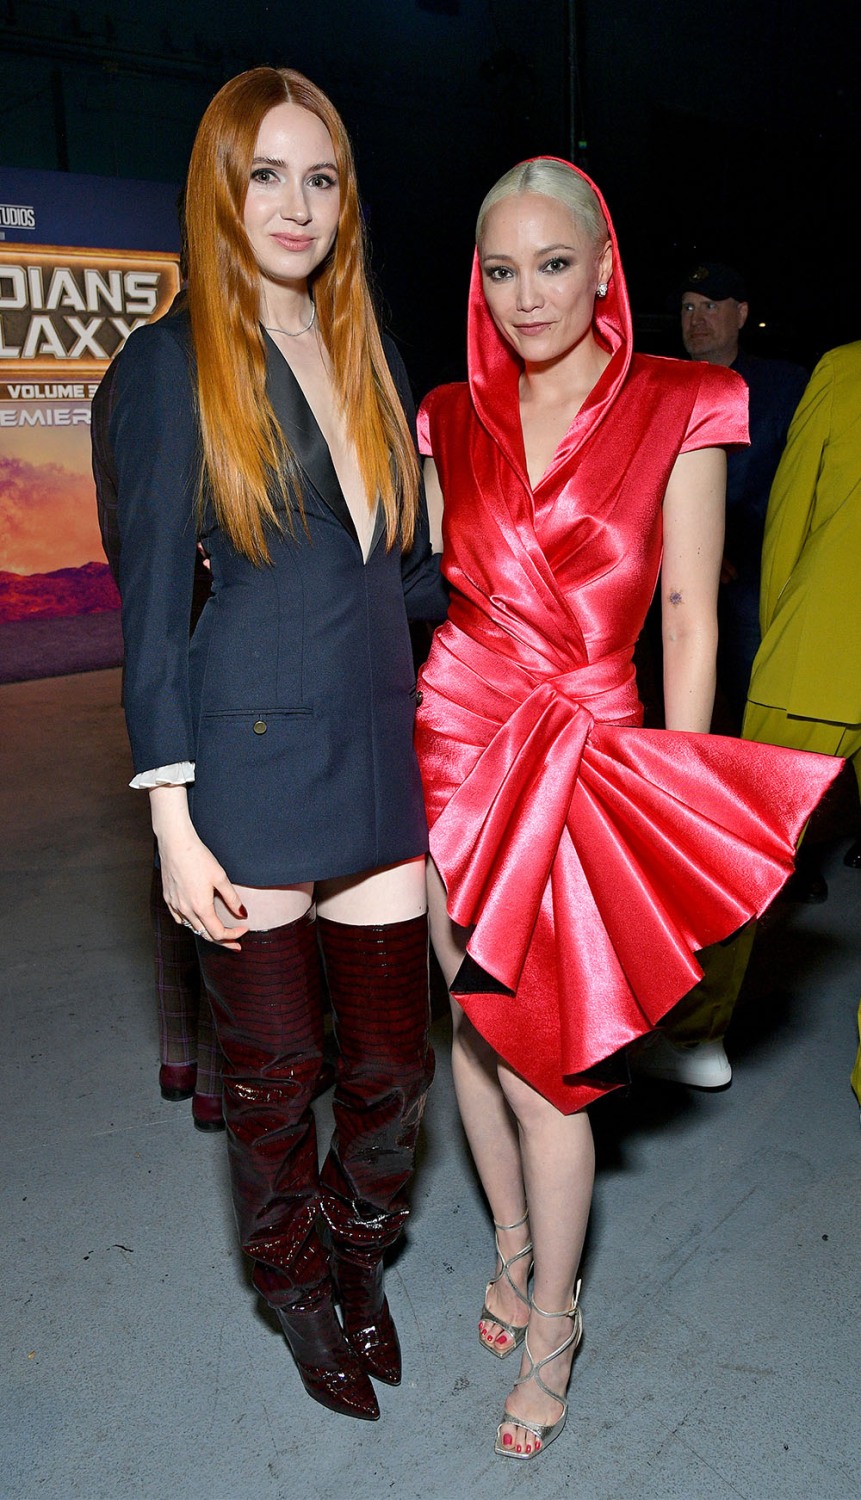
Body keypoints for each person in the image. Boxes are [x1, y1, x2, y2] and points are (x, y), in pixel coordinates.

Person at [415, 158, 840, 1461]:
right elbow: (443, 594)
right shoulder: (447, 413)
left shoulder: (681, 401)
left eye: (553, 263)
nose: (527, 293)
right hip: (455, 734)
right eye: (501, 269)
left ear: (605, 265)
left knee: (552, 1065)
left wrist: (677, 804)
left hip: (592, 747)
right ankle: (515, 1246)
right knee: (469, 1023)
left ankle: (555, 1319)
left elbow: (693, 616)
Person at [107, 66, 447, 1423]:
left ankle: (360, 1257)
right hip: (242, 768)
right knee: (274, 1083)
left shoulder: (368, 350)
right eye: (268, 175)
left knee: (393, 1072)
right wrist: (170, 817)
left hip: (375, 751)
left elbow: (403, 577)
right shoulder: (168, 367)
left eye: (321, 178)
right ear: (219, 189)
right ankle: (293, 1284)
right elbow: (147, 614)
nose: (297, 204)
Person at [93, 351, 225, 1131]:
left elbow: (125, 524)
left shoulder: (126, 371)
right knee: (225, 857)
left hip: (162, 626)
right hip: (217, 630)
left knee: (176, 851)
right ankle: (215, 1074)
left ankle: (184, 1053)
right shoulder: (191, 365)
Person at [740, 342, 861, 1112]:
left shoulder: (844, 369)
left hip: (820, 647)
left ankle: (691, 1032)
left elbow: (790, 515)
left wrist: (776, 631)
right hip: (818, 648)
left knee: (738, 854)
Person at [679, 262, 808, 732]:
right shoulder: (662, 389)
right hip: (677, 571)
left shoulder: (783, 387)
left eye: (711, 305)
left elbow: (802, 476)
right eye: (688, 307)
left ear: (742, 314)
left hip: (756, 571)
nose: (696, 318)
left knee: (754, 700)